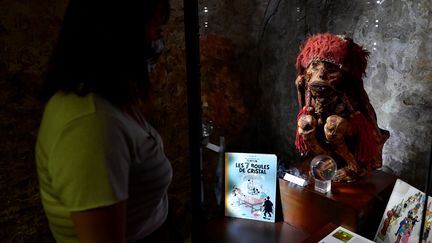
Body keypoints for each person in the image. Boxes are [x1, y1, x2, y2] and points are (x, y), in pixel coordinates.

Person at [35, 0, 174, 242]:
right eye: (154, 26)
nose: (158, 38)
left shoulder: (109, 100)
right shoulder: (89, 126)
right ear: (120, 29)